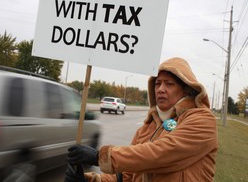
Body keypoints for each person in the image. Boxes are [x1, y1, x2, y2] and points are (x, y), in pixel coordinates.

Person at [65, 57, 218, 182]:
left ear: (187, 89)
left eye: (169, 84)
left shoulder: (202, 120)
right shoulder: (146, 128)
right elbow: (127, 175)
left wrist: (100, 157)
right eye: (157, 84)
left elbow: (162, 153)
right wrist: (92, 180)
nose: (161, 89)